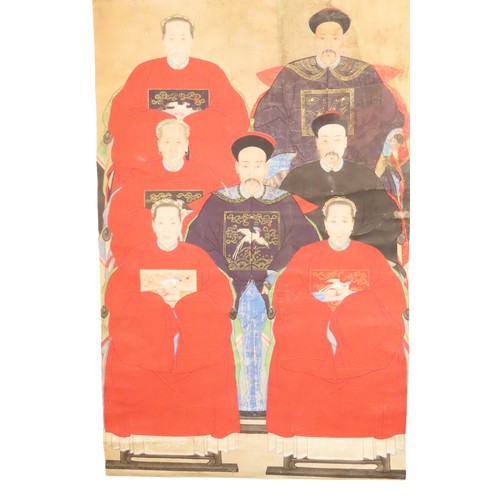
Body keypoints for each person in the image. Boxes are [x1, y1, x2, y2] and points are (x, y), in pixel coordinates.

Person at [185, 132, 318, 412]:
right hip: (227, 287)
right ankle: (233, 407)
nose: (251, 172)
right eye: (245, 165)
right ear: (236, 167)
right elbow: (199, 244)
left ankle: (271, 406)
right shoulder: (219, 202)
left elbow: (302, 242)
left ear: (266, 167)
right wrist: (226, 277)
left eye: (258, 165)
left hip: (273, 287)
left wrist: (273, 274)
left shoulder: (283, 201)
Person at [267, 197, 407, 438]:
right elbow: (285, 292)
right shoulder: (307, 255)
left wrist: (354, 299)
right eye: (333, 221)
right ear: (325, 224)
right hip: (314, 329)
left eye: (344, 221)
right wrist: (319, 299)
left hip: (360, 334)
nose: (339, 227)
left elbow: (393, 298)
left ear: (352, 224)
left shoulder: (370, 256)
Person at [103, 198, 239, 438]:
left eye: (173, 222)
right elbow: (117, 295)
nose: (167, 228)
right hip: (148, 329)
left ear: (180, 225)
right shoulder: (138, 255)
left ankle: (199, 423)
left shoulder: (196, 256)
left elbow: (220, 294)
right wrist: (153, 304)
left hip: (190, 328)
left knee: (214, 342)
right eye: (162, 222)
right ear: (153, 225)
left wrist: (186, 303)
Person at [253, 6, 404, 178]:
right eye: (322, 38)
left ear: (343, 40)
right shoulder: (292, 75)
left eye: (335, 38)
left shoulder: (363, 74)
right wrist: (284, 156)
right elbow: (271, 114)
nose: (328, 45)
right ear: (315, 40)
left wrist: (378, 145)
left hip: (355, 163)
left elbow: (384, 113)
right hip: (299, 164)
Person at [106, 14, 249, 190]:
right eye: (171, 38)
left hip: (201, 150)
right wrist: (165, 119)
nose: (178, 44)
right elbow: (122, 116)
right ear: (163, 40)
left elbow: (234, 116)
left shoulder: (211, 72)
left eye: (183, 38)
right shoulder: (144, 71)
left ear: (192, 40)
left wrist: (193, 118)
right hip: (154, 149)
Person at [280, 111, 403, 263]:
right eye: (325, 141)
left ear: (345, 142)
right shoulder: (297, 177)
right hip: (311, 257)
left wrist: (356, 242)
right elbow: (283, 220)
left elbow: (385, 215)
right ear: (317, 143)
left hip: (357, 255)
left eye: (337, 140)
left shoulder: (365, 176)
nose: (331, 147)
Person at [106, 119, 224, 265]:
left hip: (193, 253)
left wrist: (187, 215)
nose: (173, 148)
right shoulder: (141, 175)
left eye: (178, 142)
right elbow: (120, 216)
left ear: (186, 145)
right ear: (159, 145)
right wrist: (163, 219)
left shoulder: (205, 174)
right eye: (167, 142)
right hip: (150, 254)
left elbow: (219, 212)